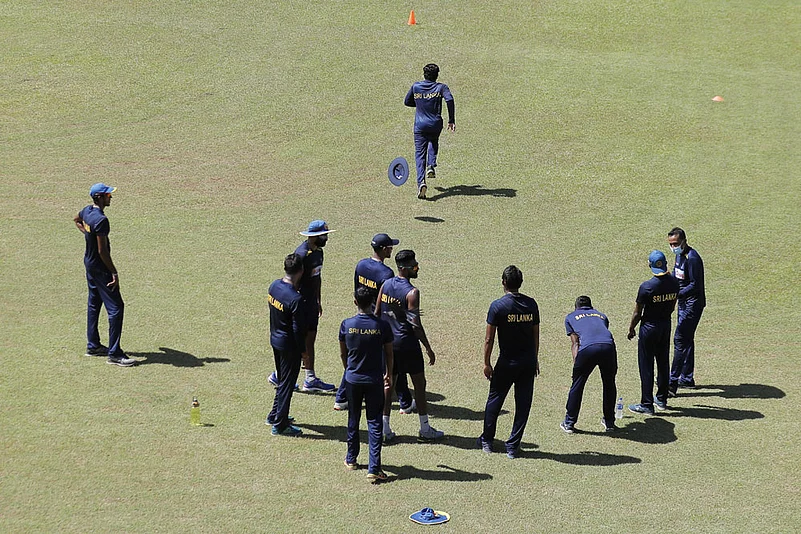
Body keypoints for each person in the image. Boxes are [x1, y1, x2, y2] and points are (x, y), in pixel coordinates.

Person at [334, 233, 414, 414]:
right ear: (384, 249)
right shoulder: (386, 273)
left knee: (356, 359)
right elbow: (386, 299)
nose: (392, 249)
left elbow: (357, 290)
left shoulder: (361, 265)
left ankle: (341, 398)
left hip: (361, 315)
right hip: (377, 320)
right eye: (390, 247)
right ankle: (405, 401)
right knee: (391, 360)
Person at [376, 250, 444, 442]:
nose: (417, 268)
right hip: (407, 345)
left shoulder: (385, 284)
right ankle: (425, 428)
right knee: (419, 384)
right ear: (404, 268)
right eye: (414, 266)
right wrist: (428, 347)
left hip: (389, 344)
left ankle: (384, 428)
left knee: (388, 384)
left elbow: (377, 312)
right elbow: (415, 324)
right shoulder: (412, 292)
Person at [478, 266, 540, 459]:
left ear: (503, 282)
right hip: (527, 362)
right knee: (523, 404)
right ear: (520, 283)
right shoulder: (531, 304)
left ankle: (487, 441)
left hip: (506, 362)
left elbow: (489, 339)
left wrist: (486, 363)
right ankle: (513, 446)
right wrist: (535, 358)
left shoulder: (498, 306)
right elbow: (535, 335)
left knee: (495, 400)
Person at [268, 220, 336, 393]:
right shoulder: (302, 254)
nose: (326, 238)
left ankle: (309, 378)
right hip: (301, 304)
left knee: (310, 339)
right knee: (300, 341)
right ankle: (280, 374)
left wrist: (318, 300)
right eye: (323, 235)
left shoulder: (318, 252)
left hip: (311, 303)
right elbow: (293, 281)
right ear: (313, 236)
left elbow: (317, 277)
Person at [73, 183, 135, 367]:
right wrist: (114, 272)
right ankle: (114, 354)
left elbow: (76, 219)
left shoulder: (87, 211)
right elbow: (102, 251)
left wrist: (88, 235)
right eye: (108, 195)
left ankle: (93, 345)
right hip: (101, 268)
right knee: (116, 308)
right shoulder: (101, 220)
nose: (111, 197)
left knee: (94, 303)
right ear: (99, 197)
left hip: (89, 264)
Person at [339, 287, 394, 483]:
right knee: (375, 422)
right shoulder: (382, 326)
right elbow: (389, 353)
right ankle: (374, 467)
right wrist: (389, 373)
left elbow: (343, 353)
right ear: (372, 302)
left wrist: (348, 370)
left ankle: (351, 458)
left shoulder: (346, 325)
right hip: (374, 380)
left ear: (355, 302)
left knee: (353, 417)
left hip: (352, 379)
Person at [627, 251, 680, 415]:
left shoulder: (647, 287)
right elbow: (673, 306)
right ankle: (662, 399)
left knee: (646, 366)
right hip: (665, 325)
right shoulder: (674, 283)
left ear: (650, 265)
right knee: (663, 362)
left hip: (649, 328)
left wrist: (631, 328)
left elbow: (637, 313)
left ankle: (647, 404)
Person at [560, 296, 618, 433]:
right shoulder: (602, 315)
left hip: (588, 349)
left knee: (578, 385)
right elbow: (602, 333)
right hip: (608, 347)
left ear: (576, 307)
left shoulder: (571, 317)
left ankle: (569, 422)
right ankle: (609, 422)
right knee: (609, 384)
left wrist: (576, 366)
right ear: (591, 307)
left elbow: (575, 343)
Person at [266, 254, 307, 437]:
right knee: (287, 384)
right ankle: (280, 425)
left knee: (283, 380)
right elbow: (298, 330)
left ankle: (275, 415)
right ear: (301, 271)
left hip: (275, 340)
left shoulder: (274, 286)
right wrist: (304, 352)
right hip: (289, 346)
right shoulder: (295, 299)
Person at [404, 63, 455, 200]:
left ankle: (421, 182)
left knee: (420, 155)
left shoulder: (416, 86)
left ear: (424, 74)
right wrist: (451, 120)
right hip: (435, 123)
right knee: (433, 141)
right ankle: (431, 165)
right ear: (437, 75)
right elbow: (450, 99)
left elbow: (407, 102)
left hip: (420, 125)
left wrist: (420, 103)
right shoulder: (441, 87)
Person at [667, 227, 706, 394]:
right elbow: (678, 276)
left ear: (684, 241)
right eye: (671, 244)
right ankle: (687, 378)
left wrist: (677, 294)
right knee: (687, 339)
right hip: (683, 303)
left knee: (680, 339)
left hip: (693, 304)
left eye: (676, 243)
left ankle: (672, 382)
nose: (673, 247)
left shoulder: (693, 258)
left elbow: (695, 285)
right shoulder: (679, 256)